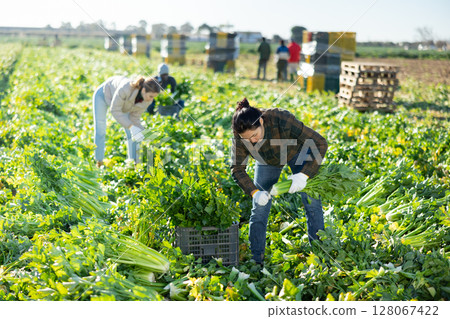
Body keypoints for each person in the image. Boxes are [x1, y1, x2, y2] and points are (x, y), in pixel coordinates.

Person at [231, 98, 328, 265]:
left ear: (261, 121)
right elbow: (237, 169)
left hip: (297, 152)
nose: (252, 141)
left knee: (311, 201)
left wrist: (304, 175)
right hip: (267, 160)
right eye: (248, 139)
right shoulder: (240, 137)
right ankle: (256, 259)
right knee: (260, 207)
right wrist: (255, 192)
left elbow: (320, 142)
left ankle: (319, 254)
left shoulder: (280, 118)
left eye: (255, 135)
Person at [93, 76, 160, 167]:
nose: (151, 100)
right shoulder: (126, 88)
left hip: (123, 105)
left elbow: (135, 118)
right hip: (104, 95)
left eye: (154, 97)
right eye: (151, 96)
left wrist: (142, 133)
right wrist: (131, 126)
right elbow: (115, 110)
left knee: (132, 133)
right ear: (143, 90)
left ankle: (133, 164)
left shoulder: (147, 100)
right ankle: (99, 161)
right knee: (100, 129)